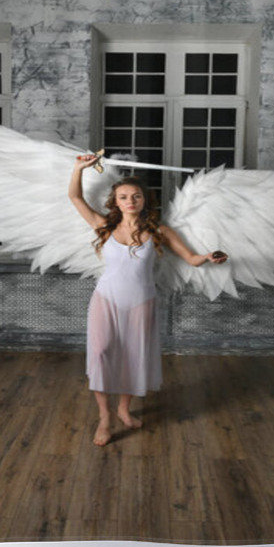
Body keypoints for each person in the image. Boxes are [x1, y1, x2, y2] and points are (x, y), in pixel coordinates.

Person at [69, 155, 228, 446]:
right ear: (115, 201)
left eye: (136, 196)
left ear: (144, 200)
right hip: (106, 299)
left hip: (141, 301)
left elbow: (192, 259)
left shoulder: (158, 232)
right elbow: (75, 197)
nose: (130, 201)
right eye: (124, 197)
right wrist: (79, 168)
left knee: (132, 358)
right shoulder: (104, 226)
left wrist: (209, 257)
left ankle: (123, 410)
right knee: (102, 353)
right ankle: (104, 418)